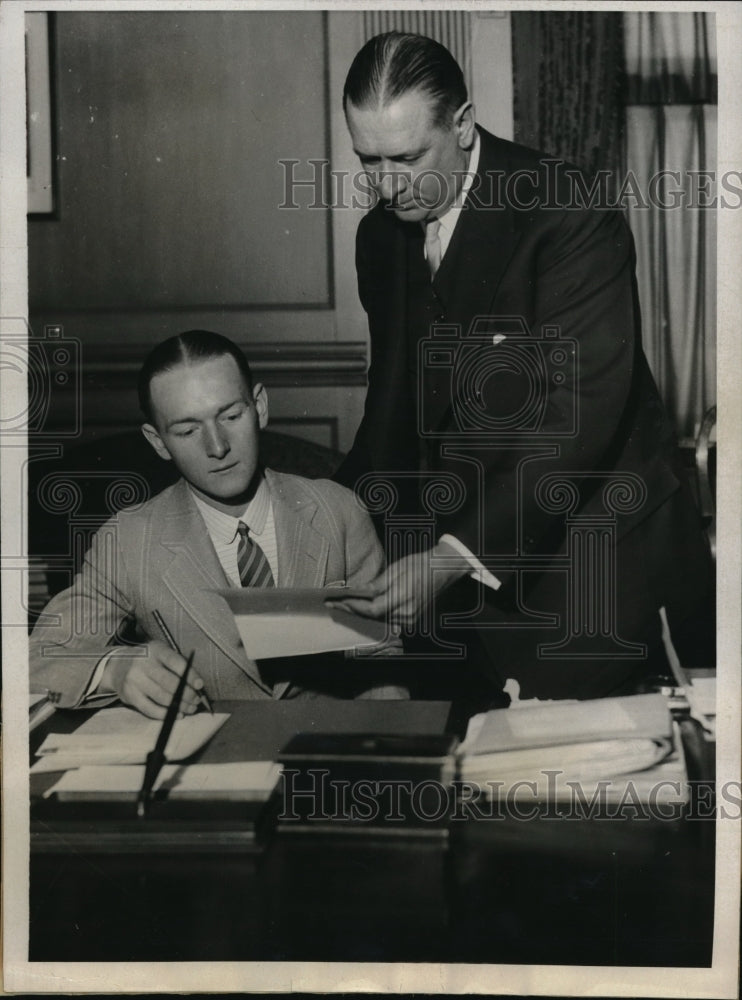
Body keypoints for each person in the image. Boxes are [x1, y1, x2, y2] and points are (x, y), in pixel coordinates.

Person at [330, 32, 713, 701]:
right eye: (369, 160)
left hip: (598, 563)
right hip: (463, 568)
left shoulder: (566, 209)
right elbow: (394, 408)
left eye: (408, 157)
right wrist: (324, 522)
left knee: (561, 788)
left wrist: (452, 556)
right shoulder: (380, 238)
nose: (387, 185)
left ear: (464, 122)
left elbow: (576, 418)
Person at [30, 330, 404, 717]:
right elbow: (38, 659)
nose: (218, 446)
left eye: (230, 415)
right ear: (158, 441)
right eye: (188, 430)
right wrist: (115, 669)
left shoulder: (339, 511)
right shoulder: (128, 541)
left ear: (259, 406)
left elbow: (380, 658)